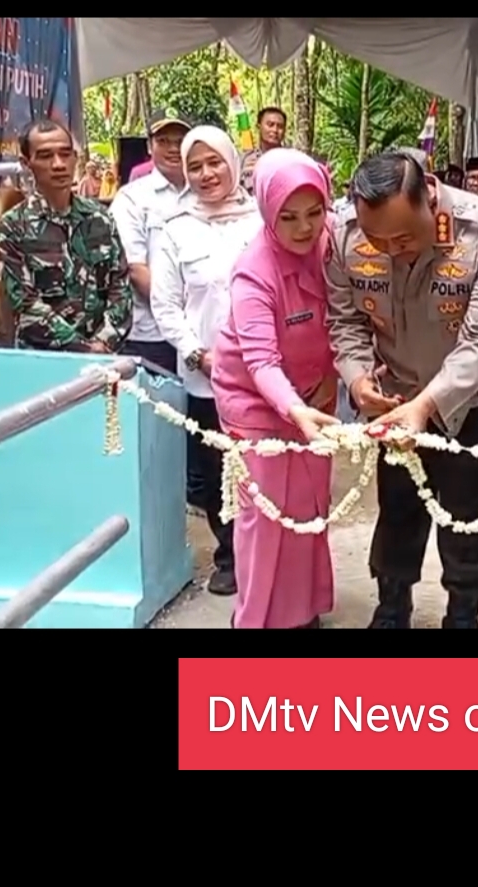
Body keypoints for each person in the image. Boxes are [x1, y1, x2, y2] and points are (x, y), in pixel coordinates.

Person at [326, 152, 478, 629]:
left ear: (429, 200)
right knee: (397, 505)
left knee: (468, 512)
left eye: (404, 238)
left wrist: (427, 405)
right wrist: (358, 379)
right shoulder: (344, 234)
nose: (391, 250)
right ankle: (392, 606)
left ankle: (464, 611)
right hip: (394, 394)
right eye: (377, 240)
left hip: (476, 398)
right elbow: (345, 320)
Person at [211, 148, 338, 628]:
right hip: (255, 402)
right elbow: (260, 361)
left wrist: (333, 379)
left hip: (315, 395)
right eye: (288, 217)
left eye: (314, 213)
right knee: (266, 513)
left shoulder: (330, 246)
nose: (305, 228)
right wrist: (293, 408)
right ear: (266, 211)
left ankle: (302, 610)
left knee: (309, 501)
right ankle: (258, 618)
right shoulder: (254, 271)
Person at [150, 125, 262, 598]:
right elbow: (165, 305)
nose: (206, 173)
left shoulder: (262, 219)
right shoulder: (175, 229)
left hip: (264, 373)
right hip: (206, 376)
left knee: (263, 467)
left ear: (231, 162)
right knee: (216, 471)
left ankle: (266, 559)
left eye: (214, 162)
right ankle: (229, 556)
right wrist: (198, 353)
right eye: (194, 166)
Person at [0, 118, 134, 352]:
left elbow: (121, 288)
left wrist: (104, 341)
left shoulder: (100, 218)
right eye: (46, 156)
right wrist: (84, 349)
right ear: (26, 163)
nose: (58, 164)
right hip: (45, 360)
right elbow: (25, 305)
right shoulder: (11, 229)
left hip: (104, 358)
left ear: (75, 158)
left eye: (65, 154)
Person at [110, 109, 191, 374]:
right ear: (149, 146)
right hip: (151, 336)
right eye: (163, 141)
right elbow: (136, 269)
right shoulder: (132, 199)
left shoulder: (206, 194)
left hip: (201, 334)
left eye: (180, 141)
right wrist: (177, 316)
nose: (173, 149)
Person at [241, 106, 287, 194]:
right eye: (270, 125)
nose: (275, 130)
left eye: (280, 126)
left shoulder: (291, 160)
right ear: (259, 127)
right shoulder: (246, 159)